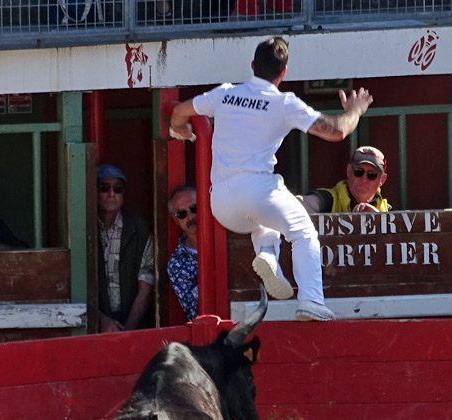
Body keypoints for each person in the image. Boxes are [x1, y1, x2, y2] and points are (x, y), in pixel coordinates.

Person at [169, 36, 373, 321]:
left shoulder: (225, 93)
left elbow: (179, 112)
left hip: (221, 202)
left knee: (266, 218)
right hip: (256, 190)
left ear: (252, 66)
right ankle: (312, 300)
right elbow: (337, 131)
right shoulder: (284, 103)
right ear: (284, 72)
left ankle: (268, 256)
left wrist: (181, 131)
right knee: (302, 232)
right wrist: (355, 111)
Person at [96, 164, 154, 333]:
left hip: (133, 324)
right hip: (93, 325)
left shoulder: (140, 228)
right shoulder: (83, 229)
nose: (112, 194)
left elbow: (146, 287)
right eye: (104, 188)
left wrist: (128, 331)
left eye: (118, 189)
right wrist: (101, 320)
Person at [300, 146, 390, 214]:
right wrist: (350, 219)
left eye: (372, 175)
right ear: (348, 171)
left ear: (382, 180)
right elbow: (299, 204)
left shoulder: (387, 210)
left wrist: (379, 220)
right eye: (359, 172)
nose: (364, 179)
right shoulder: (329, 199)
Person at [165, 184, 199, 321]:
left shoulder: (228, 239)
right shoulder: (176, 264)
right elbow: (194, 314)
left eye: (194, 208)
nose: (190, 217)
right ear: (176, 220)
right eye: (182, 214)